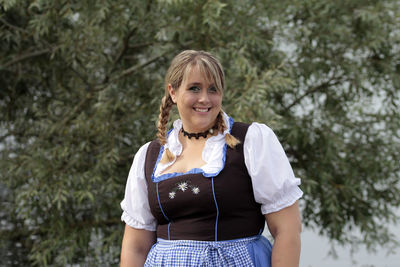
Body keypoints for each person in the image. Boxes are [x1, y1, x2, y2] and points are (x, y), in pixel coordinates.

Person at [120, 50, 303, 267]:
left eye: (213, 89)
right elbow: (136, 247)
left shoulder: (251, 141)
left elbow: (287, 230)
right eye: (194, 88)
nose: (205, 98)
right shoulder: (148, 157)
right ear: (173, 92)